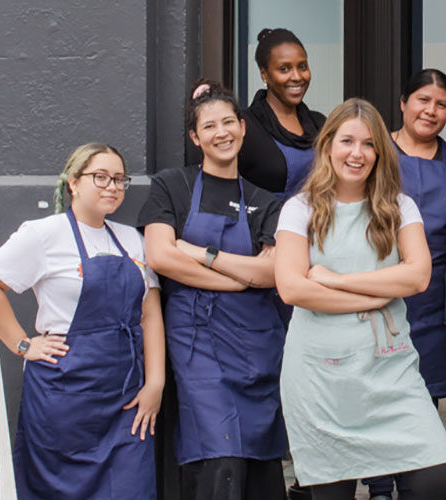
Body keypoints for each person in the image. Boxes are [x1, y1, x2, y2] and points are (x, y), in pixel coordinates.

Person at [276, 97, 446, 500]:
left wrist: (335, 282)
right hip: (320, 377)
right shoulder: (299, 210)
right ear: (327, 146)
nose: (357, 153)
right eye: (347, 141)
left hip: (388, 370)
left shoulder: (399, 207)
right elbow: (292, 288)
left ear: (380, 152)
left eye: (369, 144)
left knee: (436, 479)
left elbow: (418, 276)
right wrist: (376, 295)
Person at [0, 143, 164, 500]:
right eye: (100, 177)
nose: (112, 187)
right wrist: (22, 344)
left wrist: (155, 383)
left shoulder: (132, 240)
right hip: (63, 401)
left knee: (130, 488)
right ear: (73, 183)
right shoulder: (43, 234)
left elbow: (150, 313)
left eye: (119, 179)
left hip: (126, 401)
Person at [139, 81, 287, 500]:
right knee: (218, 456)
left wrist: (200, 254)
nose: (220, 132)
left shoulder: (266, 201)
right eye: (209, 126)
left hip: (257, 345)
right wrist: (241, 277)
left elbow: (273, 272)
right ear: (195, 137)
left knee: (260, 459)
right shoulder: (172, 186)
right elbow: (161, 257)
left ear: (242, 128)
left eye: (228, 122)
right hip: (197, 345)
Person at [363, 68, 446, 500]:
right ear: (403, 102)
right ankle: (380, 486)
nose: (431, 111)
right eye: (423, 100)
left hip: (434, 298)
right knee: (376, 394)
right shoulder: (373, 152)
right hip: (377, 292)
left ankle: (414, 483)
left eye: (441, 105)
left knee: (422, 400)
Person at [239, 27, 326, 200]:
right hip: (267, 225)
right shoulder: (245, 127)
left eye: (302, 66)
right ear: (265, 74)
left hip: (319, 223)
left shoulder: (320, 123)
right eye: (284, 69)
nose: (296, 76)